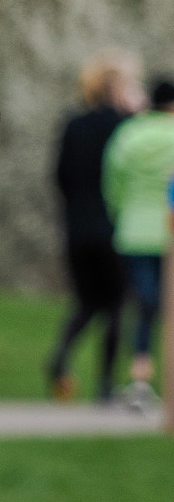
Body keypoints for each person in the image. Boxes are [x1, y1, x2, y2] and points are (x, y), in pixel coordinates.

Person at [45, 53, 141, 402]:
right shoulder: (126, 127)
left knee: (87, 301)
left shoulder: (73, 124)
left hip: (76, 226)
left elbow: (59, 176)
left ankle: (59, 358)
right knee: (116, 303)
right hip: (113, 227)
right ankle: (105, 385)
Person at [102, 77, 174, 411]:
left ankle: (141, 381)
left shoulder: (128, 135)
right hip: (168, 232)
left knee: (144, 309)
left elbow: (112, 183)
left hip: (133, 230)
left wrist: (121, 212)